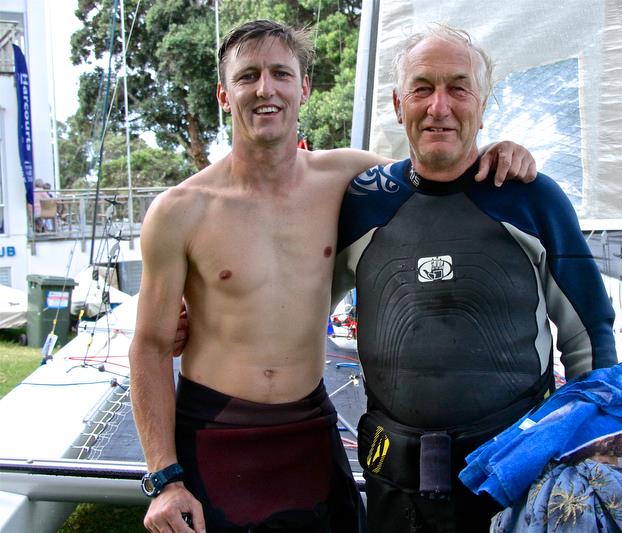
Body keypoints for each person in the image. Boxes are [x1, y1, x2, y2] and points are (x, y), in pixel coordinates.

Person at [130, 19, 536, 533]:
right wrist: (164, 478)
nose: (265, 88)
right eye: (247, 76)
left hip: (308, 431)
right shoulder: (179, 210)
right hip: (214, 434)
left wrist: (497, 150)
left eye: (281, 73)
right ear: (223, 95)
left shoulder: (351, 179)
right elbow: (148, 346)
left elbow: (438, 167)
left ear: (304, 88)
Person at [331, 25, 618, 533]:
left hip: (514, 483)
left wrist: (596, 450)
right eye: (422, 88)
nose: (439, 106)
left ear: (483, 105)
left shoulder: (531, 198)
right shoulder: (362, 202)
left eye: (458, 88)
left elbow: (588, 332)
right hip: (395, 490)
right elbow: (295, 307)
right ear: (399, 105)